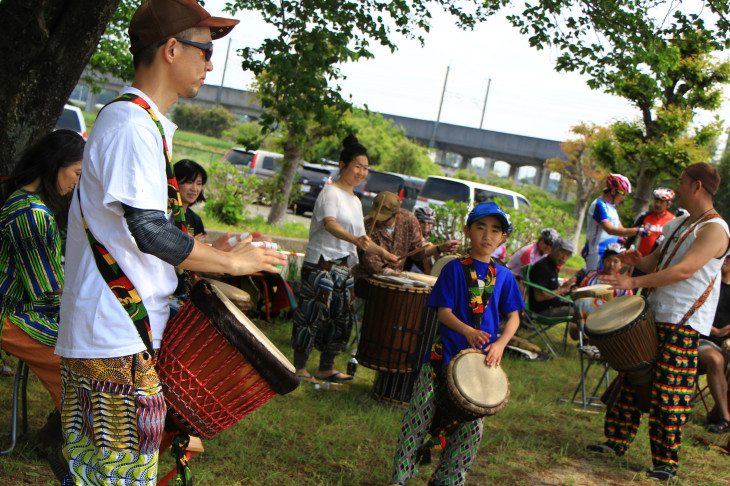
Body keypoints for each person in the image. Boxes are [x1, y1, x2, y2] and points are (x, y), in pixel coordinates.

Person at [54, 2, 286, 484]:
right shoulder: (132, 125)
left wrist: (220, 246)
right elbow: (150, 232)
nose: (210, 63)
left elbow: (143, 228)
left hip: (119, 331)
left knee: (114, 473)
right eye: (204, 49)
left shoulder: (142, 123)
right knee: (117, 475)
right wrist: (230, 263)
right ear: (172, 48)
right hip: (113, 336)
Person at [592, 162, 729, 481]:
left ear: (697, 186)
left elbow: (685, 270)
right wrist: (636, 263)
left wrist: (633, 284)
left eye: (682, 182)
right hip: (655, 313)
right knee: (631, 377)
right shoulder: (681, 222)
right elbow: (658, 260)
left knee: (671, 391)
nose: (677, 187)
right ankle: (616, 442)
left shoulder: (715, 229)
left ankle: (666, 462)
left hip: (684, 322)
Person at [389, 202, 523, 486]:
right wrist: (468, 331)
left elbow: (514, 317)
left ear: (503, 238)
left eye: (495, 230)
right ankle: (400, 476)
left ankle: (448, 480)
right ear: (467, 231)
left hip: (482, 362)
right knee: (419, 416)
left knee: (470, 430)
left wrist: (500, 344)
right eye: (480, 227)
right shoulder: (453, 269)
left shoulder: (505, 277)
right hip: (442, 355)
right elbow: (443, 313)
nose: (487, 235)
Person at [291, 135, 398, 385]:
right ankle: (299, 366)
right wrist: (355, 238)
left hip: (343, 267)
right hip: (321, 262)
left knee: (342, 317)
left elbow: (362, 239)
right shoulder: (330, 192)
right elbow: (330, 224)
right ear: (343, 165)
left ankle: (326, 367)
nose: (361, 172)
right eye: (357, 166)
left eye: (365, 168)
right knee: (312, 314)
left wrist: (385, 254)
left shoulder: (356, 200)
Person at [0, 129, 84, 414]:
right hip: (9, 316)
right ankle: (79, 439)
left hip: (17, 309)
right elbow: (46, 294)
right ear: (55, 165)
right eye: (76, 173)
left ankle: (75, 437)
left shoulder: (29, 204)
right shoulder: (31, 214)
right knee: (80, 359)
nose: (77, 183)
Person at [359, 192, 460, 277]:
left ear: (397, 214)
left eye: (384, 219)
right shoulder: (367, 224)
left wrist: (440, 248)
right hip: (368, 280)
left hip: (395, 280)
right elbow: (369, 259)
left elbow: (418, 251)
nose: (379, 222)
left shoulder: (408, 219)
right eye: (377, 217)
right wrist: (393, 274)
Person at [584, 174, 647, 272]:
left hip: (609, 253)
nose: (623, 197)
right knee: (596, 284)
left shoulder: (611, 208)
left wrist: (627, 244)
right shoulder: (599, 205)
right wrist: (638, 231)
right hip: (596, 253)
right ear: (613, 191)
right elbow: (611, 230)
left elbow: (620, 230)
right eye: (623, 193)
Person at [570, 243, 633, 341]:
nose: (611, 264)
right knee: (573, 330)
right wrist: (575, 292)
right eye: (608, 260)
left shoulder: (624, 284)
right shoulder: (591, 278)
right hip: (589, 319)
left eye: (615, 261)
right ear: (603, 261)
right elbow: (579, 295)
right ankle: (588, 340)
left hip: (612, 322)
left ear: (622, 264)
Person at [697, 255, 730, 433]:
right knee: (716, 360)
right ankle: (725, 418)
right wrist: (714, 331)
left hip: (725, 344)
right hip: (701, 339)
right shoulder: (707, 284)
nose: (724, 261)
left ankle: (716, 413)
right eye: (723, 258)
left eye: (728, 259)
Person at [526, 238, 576, 318]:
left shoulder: (553, 266)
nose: (564, 257)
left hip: (554, 304)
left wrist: (566, 290)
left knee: (580, 304)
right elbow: (539, 297)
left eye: (568, 255)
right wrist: (562, 289)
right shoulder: (542, 267)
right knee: (580, 311)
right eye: (562, 252)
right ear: (553, 250)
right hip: (543, 310)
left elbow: (552, 289)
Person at [624, 188, 676, 257]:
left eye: (661, 202)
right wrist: (625, 249)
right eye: (656, 201)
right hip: (640, 258)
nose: (658, 204)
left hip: (658, 261)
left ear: (668, 204)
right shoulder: (644, 216)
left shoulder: (673, 220)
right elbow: (631, 236)